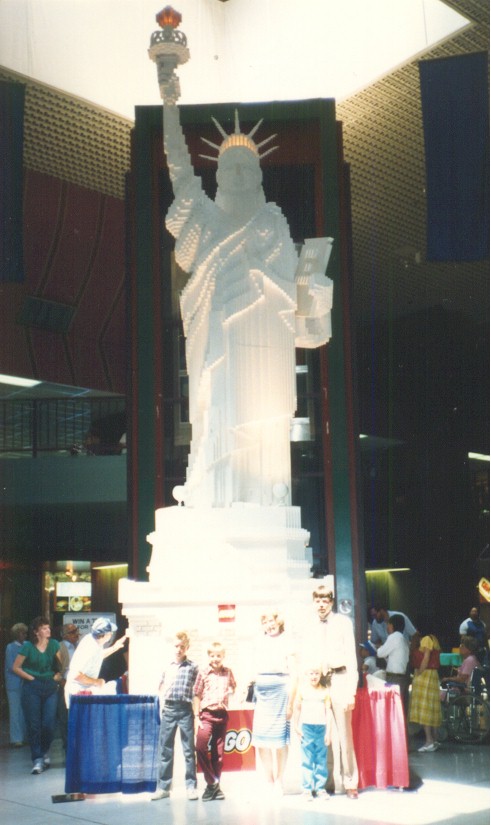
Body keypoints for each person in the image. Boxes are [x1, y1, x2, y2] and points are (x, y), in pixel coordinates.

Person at [156, 52, 332, 510]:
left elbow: (304, 317)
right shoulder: (206, 218)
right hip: (219, 338)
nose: (238, 173)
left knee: (264, 426)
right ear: (218, 173)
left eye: (246, 167)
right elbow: (179, 167)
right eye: (230, 166)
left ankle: (265, 500)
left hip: (267, 345)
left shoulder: (273, 224)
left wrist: (318, 294)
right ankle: (213, 495)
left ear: (258, 175)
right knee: (217, 412)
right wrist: (169, 102)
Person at [306, 585, 359, 799]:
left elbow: (352, 658)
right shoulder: (310, 625)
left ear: (331, 602)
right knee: (322, 733)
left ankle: (350, 782)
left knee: (345, 735)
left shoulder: (343, 623)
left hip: (340, 679)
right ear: (314, 602)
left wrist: (351, 691)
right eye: (317, 601)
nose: (321, 605)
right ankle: (326, 782)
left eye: (325, 601)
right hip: (319, 682)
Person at [251, 609, 296, 794]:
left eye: (272, 621)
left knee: (280, 740)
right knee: (261, 739)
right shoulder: (259, 641)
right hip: (262, 694)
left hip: (280, 693)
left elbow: (294, 674)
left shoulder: (287, 640)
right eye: (265, 622)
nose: (269, 625)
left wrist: (291, 704)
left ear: (279, 622)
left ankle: (279, 780)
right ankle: (269, 779)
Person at [12, 616, 64, 774]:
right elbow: (16, 667)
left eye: (48, 627)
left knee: (49, 723)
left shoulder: (54, 644)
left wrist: (56, 676)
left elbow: (59, 666)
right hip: (32, 687)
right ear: (36, 632)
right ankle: (37, 758)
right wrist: (31, 678)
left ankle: (44, 751)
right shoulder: (28, 647)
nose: (48, 630)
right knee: (33, 724)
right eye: (44, 628)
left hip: (50, 686)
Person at [152, 631, 199, 801]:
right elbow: (160, 687)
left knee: (189, 750)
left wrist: (197, 713)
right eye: (176, 646)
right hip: (169, 709)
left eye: (182, 646)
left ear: (187, 647)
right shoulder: (167, 666)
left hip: (185, 710)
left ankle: (191, 787)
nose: (179, 649)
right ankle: (164, 787)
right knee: (165, 749)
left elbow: (197, 691)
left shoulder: (193, 667)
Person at [193, 641, 236, 801]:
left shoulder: (228, 672)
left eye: (218, 656)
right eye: (212, 655)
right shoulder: (203, 672)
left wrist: (230, 694)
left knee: (218, 754)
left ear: (223, 656)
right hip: (206, 715)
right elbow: (197, 694)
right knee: (200, 746)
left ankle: (213, 790)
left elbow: (233, 687)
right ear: (208, 656)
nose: (215, 659)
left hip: (222, 715)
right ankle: (212, 783)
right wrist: (196, 716)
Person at [64, 617, 126, 708]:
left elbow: (98, 656)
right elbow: (76, 675)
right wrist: (97, 682)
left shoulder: (93, 640)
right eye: (110, 632)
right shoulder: (91, 647)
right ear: (104, 635)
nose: (112, 634)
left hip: (83, 692)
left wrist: (115, 648)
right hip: (78, 693)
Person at [293, 664, 332, 801]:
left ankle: (320, 788)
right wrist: (296, 726)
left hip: (321, 729)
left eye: (317, 673)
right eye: (311, 673)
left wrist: (328, 732)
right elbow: (297, 708)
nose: (314, 676)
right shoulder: (302, 691)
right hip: (307, 729)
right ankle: (307, 789)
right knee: (307, 760)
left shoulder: (325, 691)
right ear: (306, 675)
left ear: (320, 675)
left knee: (321, 760)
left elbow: (328, 712)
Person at [409, 629, 443, 752]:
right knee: (432, 707)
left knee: (424, 709)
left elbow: (426, 657)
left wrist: (419, 672)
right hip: (432, 675)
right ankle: (434, 739)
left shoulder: (426, 639)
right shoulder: (434, 639)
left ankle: (429, 741)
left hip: (425, 676)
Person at [376, 614, 410, 710]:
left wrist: (378, 648)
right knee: (400, 707)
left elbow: (380, 653)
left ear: (392, 625)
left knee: (392, 708)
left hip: (394, 678)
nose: (387, 627)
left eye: (388, 624)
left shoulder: (394, 637)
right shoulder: (403, 639)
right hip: (402, 677)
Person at [4, 622, 28, 746]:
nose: (25, 635)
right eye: (23, 633)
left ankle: (25, 736)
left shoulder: (27, 645)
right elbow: (11, 666)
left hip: (26, 683)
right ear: (17, 634)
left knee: (24, 711)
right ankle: (16, 738)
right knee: (15, 711)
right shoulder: (10, 647)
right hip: (14, 684)